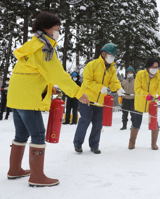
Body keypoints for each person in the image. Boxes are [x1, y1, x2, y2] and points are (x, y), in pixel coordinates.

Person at [6, 11, 89, 187]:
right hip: (29, 98)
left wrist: (51, 87)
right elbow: (58, 75)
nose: (58, 32)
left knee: (21, 134)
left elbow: (37, 74)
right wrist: (78, 93)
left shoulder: (32, 45)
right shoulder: (44, 48)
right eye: (56, 29)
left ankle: (14, 170)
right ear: (45, 29)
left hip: (17, 96)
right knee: (37, 134)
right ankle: (37, 176)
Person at [73, 43, 125, 154]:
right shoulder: (92, 65)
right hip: (86, 99)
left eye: (114, 56)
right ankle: (77, 143)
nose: (112, 57)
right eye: (111, 55)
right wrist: (100, 88)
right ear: (103, 53)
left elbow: (113, 81)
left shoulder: (112, 69)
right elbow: (87, 81)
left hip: (100, 101)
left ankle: (94, 145)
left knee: (98, 124)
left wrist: (119, 88)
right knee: (85, 121)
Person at [128, 58, 160, 150]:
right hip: (140, 102)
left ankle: (154, 144)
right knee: (136, 123)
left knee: (154, 123)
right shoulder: (140, 74)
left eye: (157, 67)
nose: (155, 69)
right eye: (153, 67)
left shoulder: (158, 76)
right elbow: (137, 88)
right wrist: (146, 95)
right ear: (148, 67)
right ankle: (131, 143)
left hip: (152, 103)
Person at [120, 66, 135, 130]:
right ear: (126, 73)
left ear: (133, 73)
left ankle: (133, 126)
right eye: (128, 72)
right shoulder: (123, 81)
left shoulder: (136, 81)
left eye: (131, 72)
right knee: (124, 114)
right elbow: (120, 89)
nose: (129, 73)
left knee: (133, 114)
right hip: (125, 100)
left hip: (133, 100)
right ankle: (124, 126)